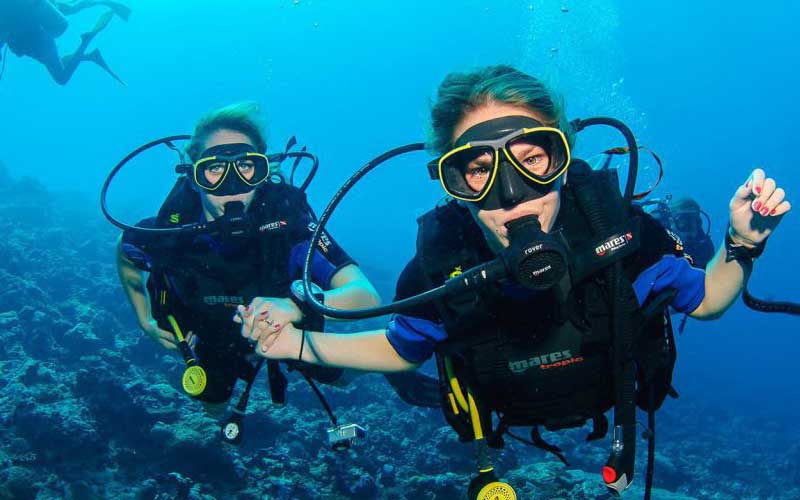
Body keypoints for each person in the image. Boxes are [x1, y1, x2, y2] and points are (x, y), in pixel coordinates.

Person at [240, 65, 791, 498]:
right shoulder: (442, 263)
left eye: (533, 160)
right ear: (452, 180)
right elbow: (400, 348)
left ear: (563, 158)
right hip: (504, 415)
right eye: (479, 170)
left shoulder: (618, 233)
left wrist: (743, 241)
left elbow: (709, 298)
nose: (514, 195)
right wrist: (296, 344)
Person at [115, 102, 437, 445]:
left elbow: (363, 294)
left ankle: (385, 367)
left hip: (289, 328)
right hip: (212, 334)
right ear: (193, 176)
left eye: (246, 167)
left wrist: (296, 306)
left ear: (264, 170)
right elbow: (126, 254)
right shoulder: (171, 230)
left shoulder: (288, 225)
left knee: (340, 377)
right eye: (214, 170)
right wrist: (146, 322)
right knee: (211, 406)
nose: (232, 185)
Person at [0, 0, 129, 85]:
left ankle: (86, 42)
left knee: (61, 77)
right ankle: (87, 55)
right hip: (40, 20)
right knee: (72, 8)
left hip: (37, 35)